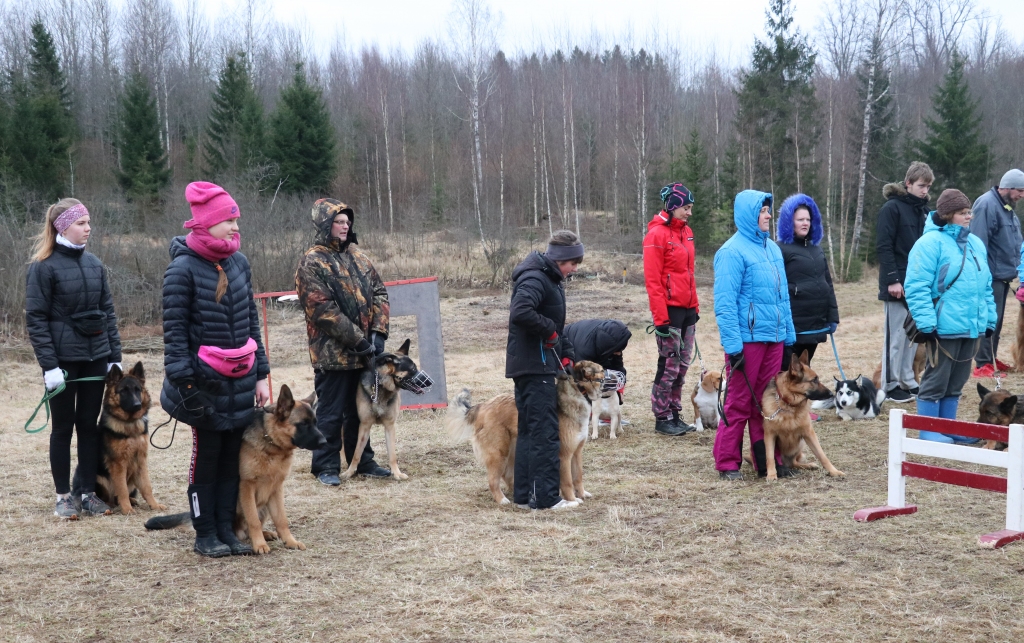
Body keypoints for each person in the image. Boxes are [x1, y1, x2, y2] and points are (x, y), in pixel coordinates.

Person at [161, 182, 270, 557]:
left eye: (237, 220)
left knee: (230, 462)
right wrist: (186, 386)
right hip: (203, 386)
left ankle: (226, 528)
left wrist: (261, 375)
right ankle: (204, 532)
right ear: (206, 224)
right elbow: (174, 336)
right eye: (228, 220)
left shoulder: (239, 262)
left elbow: (251, 322)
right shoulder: (181, 270)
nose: (236, 227)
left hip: (240, 382)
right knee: (205, 461)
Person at [26, 199, 121, 520]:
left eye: (88, 222)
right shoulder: (43, 267)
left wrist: (114, 358)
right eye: (81, 223)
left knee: (89, 428)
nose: (88, 228)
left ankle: (88, 493)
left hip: (96, 359)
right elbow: (36, 320)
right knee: (63, 429)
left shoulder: (95, 264)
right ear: (62, 226)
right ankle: (63, 496)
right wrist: (49, 367)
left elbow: (108, 313)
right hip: (63, 363)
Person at [295, 199, 392, 487]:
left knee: (361, 409)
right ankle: (325, 466)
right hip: (332, 354)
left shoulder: (359, 258)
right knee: (330, 412)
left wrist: (378, 333)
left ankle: (362, 461)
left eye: (347, 221)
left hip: (365, 352)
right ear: (325, 224)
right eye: (338, 221)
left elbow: (380, 294)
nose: (345, 225)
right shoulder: (311, 262)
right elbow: (321, 309)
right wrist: (358, 340)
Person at [712, 190, 796, 480]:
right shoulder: (730, 252)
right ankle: (727, 463)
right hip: (746, 343)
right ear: (749, 214)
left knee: (767, 403)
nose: (768, 215)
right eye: (763, 211)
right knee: (738, 403)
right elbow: (724, 304)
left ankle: (766, 462)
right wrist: (733, 346)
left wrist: (788, 337)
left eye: (768, 210)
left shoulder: (772, 249)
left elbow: (782, 297)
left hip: (773, 339)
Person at [904, 189, 996, 443]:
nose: (969, 216)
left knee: (957, 381)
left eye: (969, 212)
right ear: (947, 215)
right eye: (963, 213)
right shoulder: (928, 244)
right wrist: (926, 322)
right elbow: (916, 285)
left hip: (971, 326)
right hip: (942, 326)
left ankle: (948, 428)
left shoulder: (975, 243)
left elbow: (985, 286)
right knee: (936, 379)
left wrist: (988, 320)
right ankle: (929, 431)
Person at [506, 230, 581, 510]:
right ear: (560, 259)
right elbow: (521, 312)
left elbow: (554, 324)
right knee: (545, 432)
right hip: (534, 366)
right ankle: (547, 498)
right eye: (572, 263)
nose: (574, 270)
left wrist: (565, 354)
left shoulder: (548, 277)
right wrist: (549, 332)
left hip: (534, 363)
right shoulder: (536, 277)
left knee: (529, 430)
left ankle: (525, 496)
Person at [642, 183, 699, 436]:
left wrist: (695, 306)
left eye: (690, 208)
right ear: (673, 206)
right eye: (686, 208)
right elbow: (653, 281)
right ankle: (661, 416)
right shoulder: (655, 236)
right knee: (669, 365)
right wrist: (660, 319)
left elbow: (689, 274)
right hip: (669, 312)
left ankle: (675, 412)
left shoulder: (687, 233)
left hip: (688, 310)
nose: (689, 213)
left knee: (684, 365)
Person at [877, 161, 934, 403]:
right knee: (896, 338)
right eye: (921, 185)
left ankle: (908, 380)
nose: (925, 190)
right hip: (897, 284)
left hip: (917, 284)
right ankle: (889, 384)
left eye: (928, 186)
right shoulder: (892, 208)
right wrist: (892, 280)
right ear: (908, 183)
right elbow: (884, 245)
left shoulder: (924, 211)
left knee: (912, 336)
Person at [969, 169, 1024, 377]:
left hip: (1002, 276)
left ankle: (990, 357)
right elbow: (977, 242)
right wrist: (981, 276)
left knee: (997, 320)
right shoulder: (986, 205)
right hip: (989, 276)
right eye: (1019, 190)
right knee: (987, 320)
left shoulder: (1007, 207)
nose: (1021, 195)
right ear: (1007, 187)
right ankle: (982, 364)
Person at [777, 193, 839, 372]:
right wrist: (796, 290)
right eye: (800, 219)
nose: (805, 223)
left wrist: (832, 317)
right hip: (794, 327)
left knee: (805, 370)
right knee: (789, 373)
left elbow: (827, 284)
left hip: (816, 325)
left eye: (808, 219)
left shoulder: (817, 249)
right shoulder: (780, 249)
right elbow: (777, 286)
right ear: (789, 222)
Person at [564, 319, 631, 421]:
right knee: (583, 382)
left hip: (595, 346)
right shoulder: (585, 350)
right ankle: (590, 413)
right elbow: (581, 379)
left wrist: (619, 388)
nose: (618, 353)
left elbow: (617, 367)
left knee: (605, 378)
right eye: (617, 351)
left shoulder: (612, 340)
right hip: (568, 345)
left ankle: (605, 413)